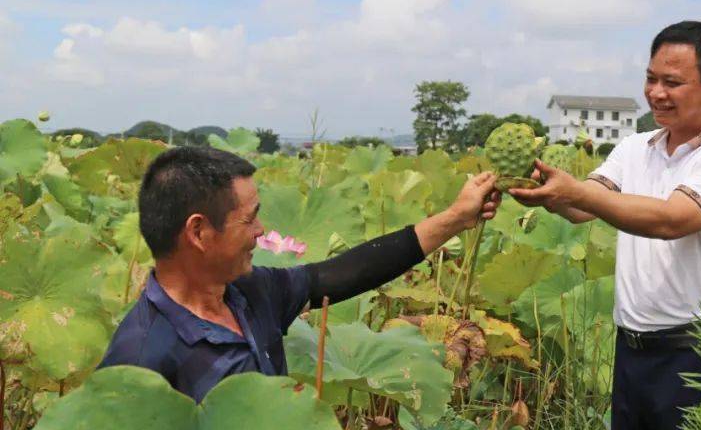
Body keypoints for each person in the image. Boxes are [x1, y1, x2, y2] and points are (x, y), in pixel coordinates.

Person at [510, 20, 701, 430]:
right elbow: (585, 208)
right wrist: (543, 188)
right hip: (634, 348)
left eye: (672, 82)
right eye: (650, 79)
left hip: (698, 351)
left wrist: (578, 194)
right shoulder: (634, 149)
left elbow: (671, 220)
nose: (655, 93)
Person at [99, 146, 500, 403]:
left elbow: (346, 273)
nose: (261, 231)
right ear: (199, 232)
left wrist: (455, 219)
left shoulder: (248, 294)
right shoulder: (138, 360)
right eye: (250, 219)